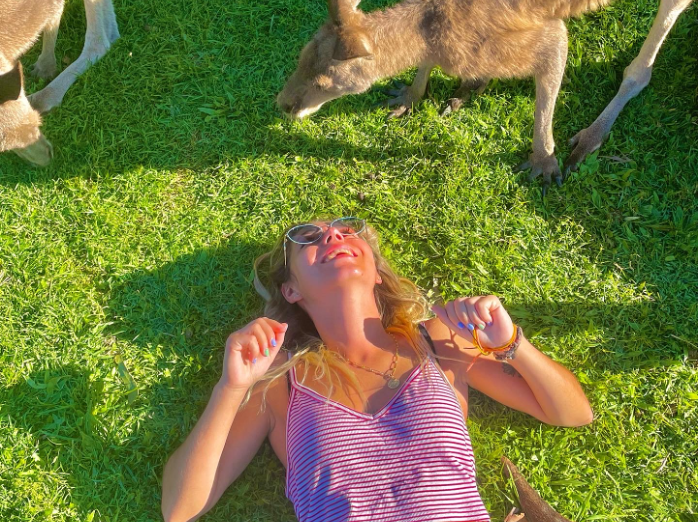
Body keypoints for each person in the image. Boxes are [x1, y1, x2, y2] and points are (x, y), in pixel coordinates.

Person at [161, 217, 593, 522]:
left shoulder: (437, 340)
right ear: (290, 290)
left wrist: (511, 344)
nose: (332, 234)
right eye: (307, 237)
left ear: (376, 272)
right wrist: (230, 388)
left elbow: (573, 413)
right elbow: (179, 509)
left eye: (346, 230)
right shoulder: (280, 382)